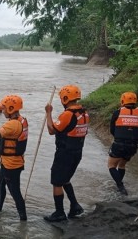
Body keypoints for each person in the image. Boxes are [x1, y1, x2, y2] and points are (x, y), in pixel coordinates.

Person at [43, 85, 89, 222]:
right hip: (77, 153)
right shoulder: (84, 113)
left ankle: (59, 212)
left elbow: (52, 130)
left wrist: (48, 113)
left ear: (65, 98)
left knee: (57, 182)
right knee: (66, 179)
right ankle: (75, 206)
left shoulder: (68, 114)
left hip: (65, 153)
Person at [0, 95, 28, 221]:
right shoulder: (21, 120)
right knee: (0, 182)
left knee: (15, 193)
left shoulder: (13, 124)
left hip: (11, 165)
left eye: (4, 109)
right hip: (8, 163)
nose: (2, 111)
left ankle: (23, 221)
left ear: (11, 109)